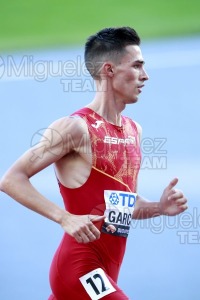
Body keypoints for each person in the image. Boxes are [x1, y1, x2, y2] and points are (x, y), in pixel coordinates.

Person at [0, 27, 188, 300]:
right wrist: (64, 217)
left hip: (109, 270)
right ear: (109, 70)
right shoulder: (74, 128)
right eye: (137, 66)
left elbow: (121, 205)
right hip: (80, 267)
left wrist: (159, 207)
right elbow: (11, 179)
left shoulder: (134, 131)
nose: (145, 76)